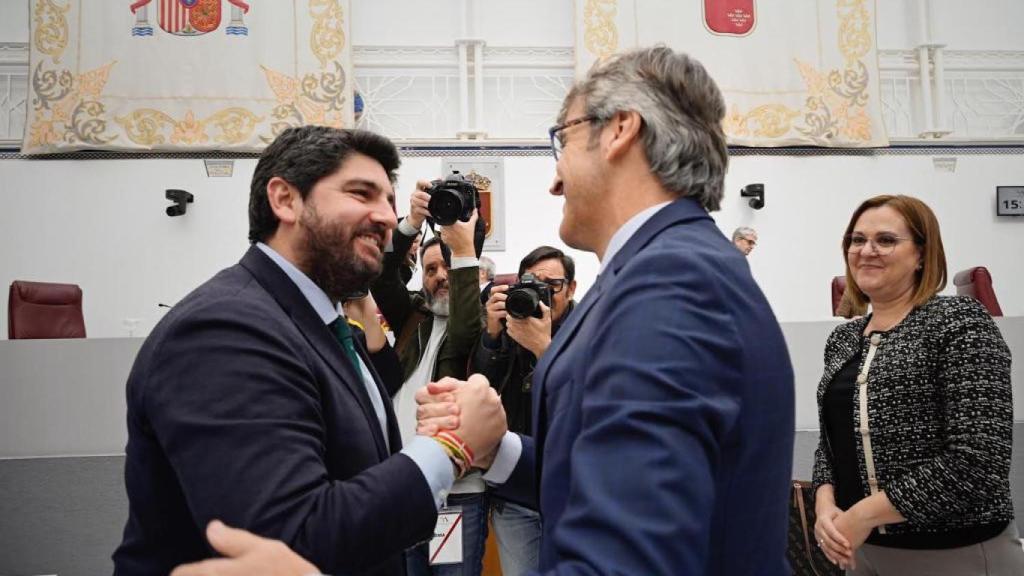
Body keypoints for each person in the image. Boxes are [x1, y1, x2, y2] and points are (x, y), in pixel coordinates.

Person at [172, 45, 796, 576]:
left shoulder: (670, 284)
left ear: (620, 132)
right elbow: (605, 474)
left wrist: (448, 449)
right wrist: (495, 447)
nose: (554, 178)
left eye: (562, 140)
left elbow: (627, 552)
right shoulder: (663, 273)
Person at [115, 125, 506, 576]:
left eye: (390, 202)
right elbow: (288, 542)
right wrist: (452, 447)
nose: (384, 216)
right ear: (284, 199)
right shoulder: (225, 329)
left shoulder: (328, 328)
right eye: (362, 194)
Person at [812, 195, 1023, 575]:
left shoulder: (959, 322)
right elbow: (831, 442)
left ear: (922, 255)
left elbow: (978, 460)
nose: (866, 251)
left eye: (886, 240)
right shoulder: (844, 339)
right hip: (861, 551)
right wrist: (824, 503)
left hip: (955, 551)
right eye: (856, 240)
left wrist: (862, 514)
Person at [370, 191, 488, 576]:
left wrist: (464, 250)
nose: (440, 277)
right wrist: (410, 224)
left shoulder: (481, 326)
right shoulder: (412, 316)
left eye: (448, 267)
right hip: (404, 490)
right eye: (431, 269)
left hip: (455, 496)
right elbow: (383, 277)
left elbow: (466, 326)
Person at [472, 246, 577, 575]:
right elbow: (481, 387)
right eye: (533, 284)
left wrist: (543, 349)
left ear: (571, 288)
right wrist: (491, 333)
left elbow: (582, 399)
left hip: (570, 490)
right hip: (516, 490)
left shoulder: (588, 332)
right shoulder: (509, 328)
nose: (542, 296)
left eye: (552, 286)